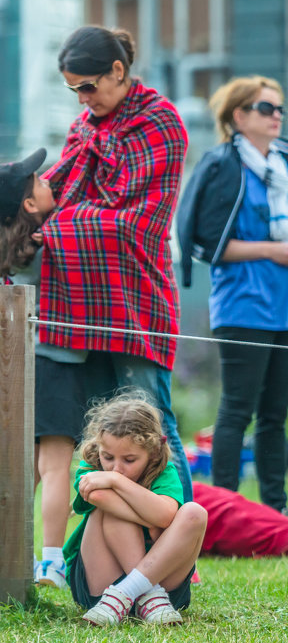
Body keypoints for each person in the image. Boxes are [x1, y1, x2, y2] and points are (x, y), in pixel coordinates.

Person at [41, 25, 192, 502]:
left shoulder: (161, 122)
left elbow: (137, 224)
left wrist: (66, 223)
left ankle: (179, 546)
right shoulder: (83, 129)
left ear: (119, 71)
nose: (83, 99)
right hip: (84, 306)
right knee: (103, 437)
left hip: (139, 301)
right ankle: (119, 545)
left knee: (154, 427)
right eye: (74, 90)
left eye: (89, 86)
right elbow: (56, 199)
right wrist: (70, 218)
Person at [177, 76, 288, 514]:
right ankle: (224, 510)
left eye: (279, 109)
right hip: (243, 304)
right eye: (266, 108)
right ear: (238, 117)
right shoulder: (222, 165)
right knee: (237, 410)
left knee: (275, 413)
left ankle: (275, 508)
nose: (277, 116)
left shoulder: (287, 162)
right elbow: (206, 242)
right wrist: (273, 250)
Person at [0, 148, 81, 590]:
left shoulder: (15, 250)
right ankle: (51, 560)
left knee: (24, 468)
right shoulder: (54, 237)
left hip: (23, 367)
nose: (50, 179)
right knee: (55, 465)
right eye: (40, 180)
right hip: (59, 361)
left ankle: (20, 553)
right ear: (29, 205)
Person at [65, 393, 208, 626]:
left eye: (129, 460)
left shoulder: (163, 471)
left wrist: (117, 482)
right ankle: (144, 594)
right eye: (108, 457)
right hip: (102, 586)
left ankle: (133, 591)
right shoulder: (91, 465)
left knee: (195, 513)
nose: (116, 468)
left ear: (152, 452)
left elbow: (165, 515)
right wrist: (149, 520)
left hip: (165, 587)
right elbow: (98, 495)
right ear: (98, 446)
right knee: (108, 507)